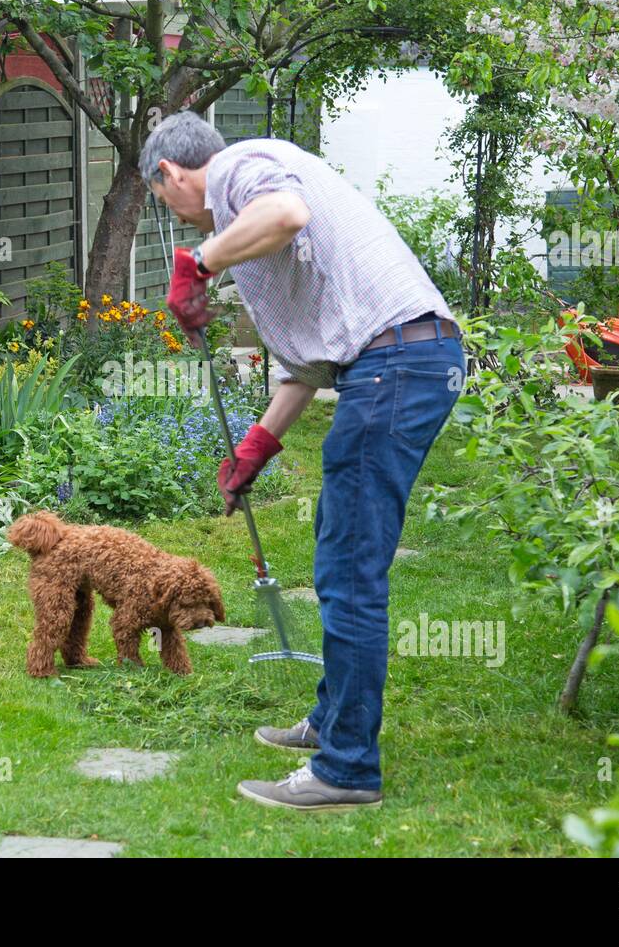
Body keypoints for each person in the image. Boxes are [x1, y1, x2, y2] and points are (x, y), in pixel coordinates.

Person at [143, 111, 464, 811]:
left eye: (160, 196)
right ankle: (331, 722)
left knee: (349, 568)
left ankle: (348, 768)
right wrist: (255, 448)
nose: (172, 212)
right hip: (398, 360)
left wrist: (202, 264)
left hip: (397, 363)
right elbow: (309, 365)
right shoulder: (245, 213)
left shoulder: (240, 170)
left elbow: (286, 213)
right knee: (339, 546)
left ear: (169, 174)